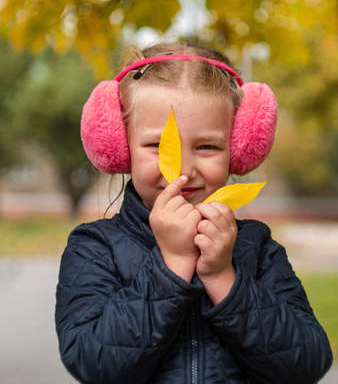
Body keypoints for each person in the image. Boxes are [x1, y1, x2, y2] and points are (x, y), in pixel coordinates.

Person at [55, 43, 332, 384]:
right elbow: (94, 363)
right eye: (158, 145)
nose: (183, 171)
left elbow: (307, 364)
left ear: (239, 150)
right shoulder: (94, 247)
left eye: (207, 147)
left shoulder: (257, 249)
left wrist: (224, 277)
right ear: (121, 147)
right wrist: (169, 266)